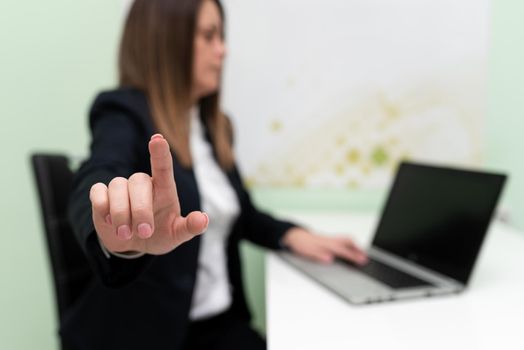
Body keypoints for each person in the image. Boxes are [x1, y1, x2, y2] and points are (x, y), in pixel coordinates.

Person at [67, 0, 368, 349]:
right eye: (209, 36)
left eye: (222, 36)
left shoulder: (215, 127)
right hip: (151, 334)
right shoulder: (123, 112)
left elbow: (244, 215)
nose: (222, 50)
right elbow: (100, 171)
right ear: (165, 40)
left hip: (221, 325)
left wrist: (292, 234)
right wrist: (113, 230)